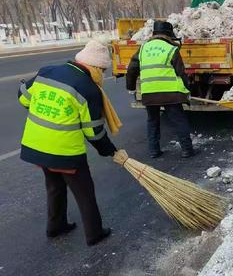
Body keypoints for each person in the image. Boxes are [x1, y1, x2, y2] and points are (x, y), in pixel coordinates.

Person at [18, 40, 124, 245]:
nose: (102, 74)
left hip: (36, 145)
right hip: (64, 152)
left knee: (54, 185)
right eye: (102, 70)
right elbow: (93, 132)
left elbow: (22, 98)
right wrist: (110, 151)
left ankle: (55, 226)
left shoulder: (47, 71)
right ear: (94, 67)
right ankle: (94, 233)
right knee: (85, 191)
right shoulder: (87, 88)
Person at [126, 21, 195, 158]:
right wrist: (187, 90)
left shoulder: (143, 48)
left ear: (154, 34)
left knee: (152, 121)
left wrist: (131, 87)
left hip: (149, 94)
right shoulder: (171, 49)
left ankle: (154, 151)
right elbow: (181, 73)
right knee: (178, 120)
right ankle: (187, 150)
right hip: (170, 94)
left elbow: (132, 69)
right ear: (169, 35)